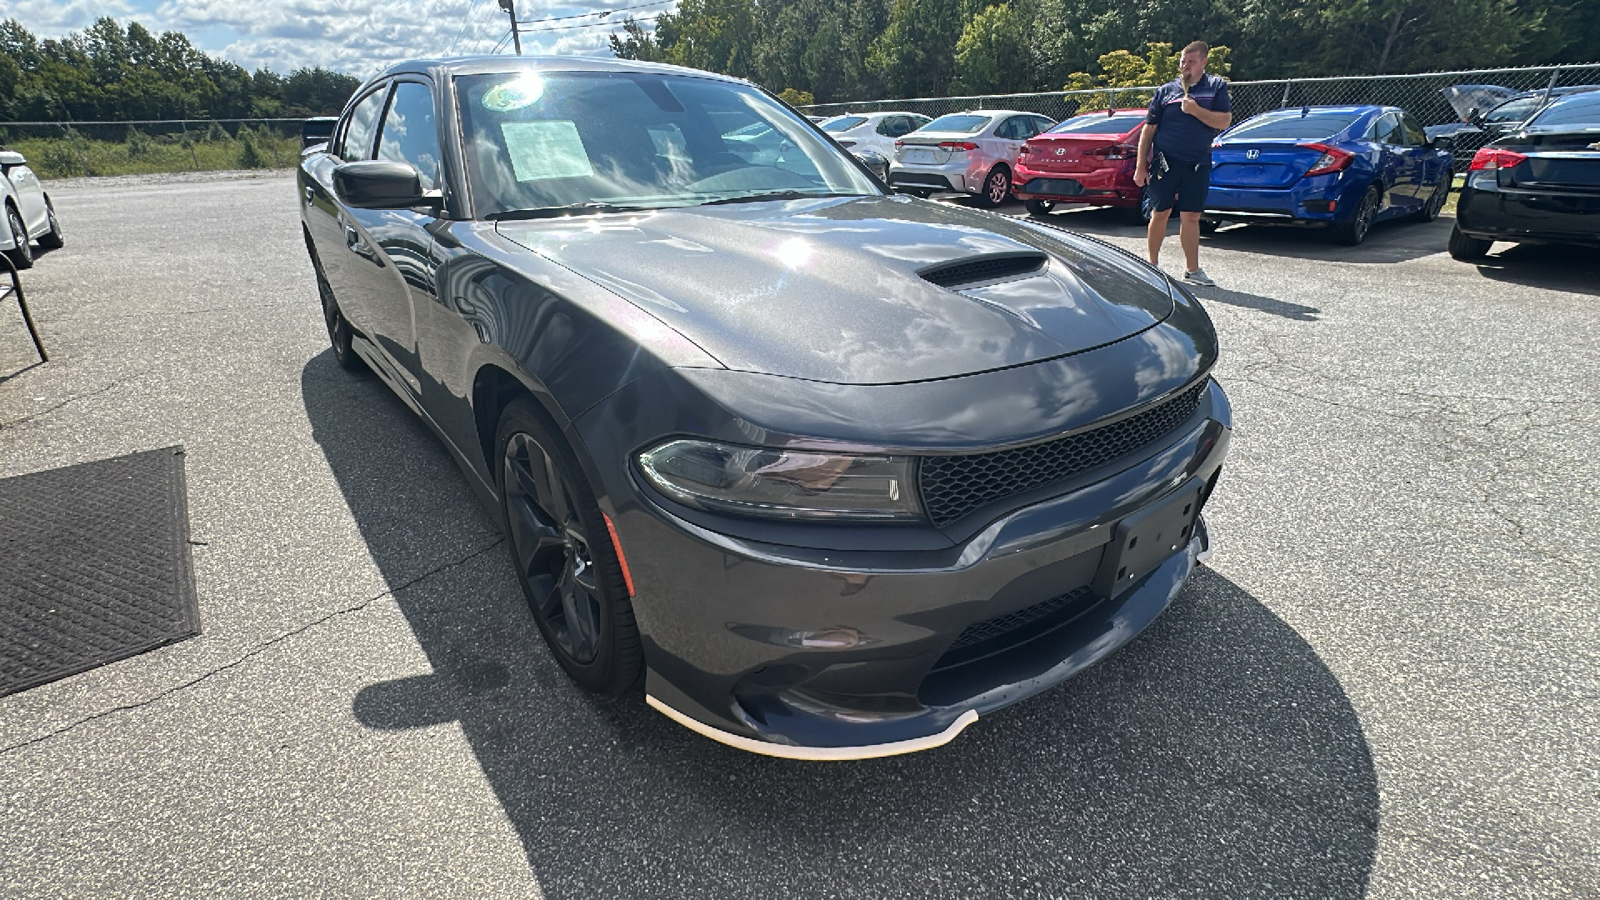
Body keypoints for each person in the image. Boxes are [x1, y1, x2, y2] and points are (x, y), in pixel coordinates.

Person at [1134, 41, 1232, 286]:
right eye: (1182, 61)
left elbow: (1224, 122)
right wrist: (1140, 165)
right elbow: (1149, 129)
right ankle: (1152, 265)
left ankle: (1193, 270)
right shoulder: (1166, 91)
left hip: (1198, 162)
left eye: (1191, 62)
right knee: (1160, 212)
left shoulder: (1216, 87)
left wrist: (1196, 110)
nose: (1185, 66)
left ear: (1204, 62)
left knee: (1191, 216)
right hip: (1165, 161)